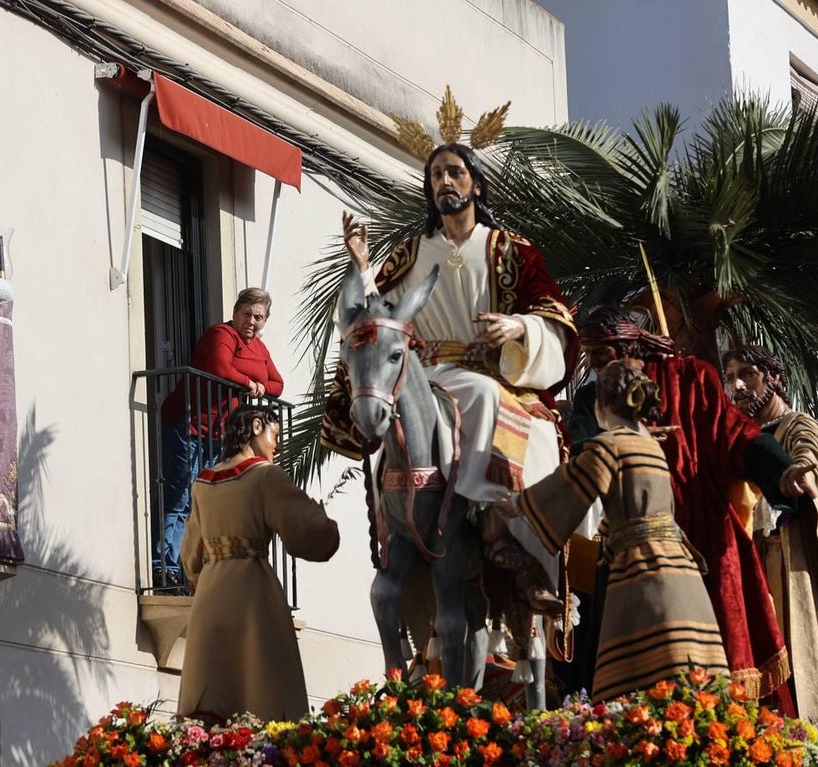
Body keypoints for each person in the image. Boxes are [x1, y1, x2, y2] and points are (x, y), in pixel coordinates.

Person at [323, 142, 580, 663]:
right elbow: (373, 313)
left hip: (493, 372)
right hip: (426, 371)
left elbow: (555, 316)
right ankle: (397, 520)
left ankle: (495, 518)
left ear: (476, 185)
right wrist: (360, 265)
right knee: (399, 427)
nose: (445, 181)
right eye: (436, 173)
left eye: (456, 172)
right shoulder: (412, 253)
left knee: (485, 395)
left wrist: (520, 327)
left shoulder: (510, 249)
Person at [579, 306, 812, 712]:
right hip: (625, 544)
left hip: (701, 531)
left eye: (602, 357)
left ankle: (721, 730)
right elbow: (580, 454)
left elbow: (737, 434)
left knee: (719, 644)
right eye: (592, 360)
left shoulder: (689, 378)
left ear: (628, 347)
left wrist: (782, 470)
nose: (597, 370)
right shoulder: (590, 398)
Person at [495, 360, 729, 701]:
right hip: (681, 569)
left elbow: (572, 482)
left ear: (601, 405)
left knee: (636, 681)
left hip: (643, 573)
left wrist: (517, 505)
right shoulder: (652, 445)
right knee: (693, 678)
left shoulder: (609, 445)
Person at [178, 405, 340, 722]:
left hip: (209, 599)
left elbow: (190, 557)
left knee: (210, 701)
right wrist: (326, 527)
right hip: (252, 595)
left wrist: (208, 573)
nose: (277, 446)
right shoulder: (265, 477)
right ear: (255, 426)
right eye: (275, 435)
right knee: (265, 695)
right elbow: (306, 532)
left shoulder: (203, 485)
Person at [723, 345, 818, 727]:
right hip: (752, 563)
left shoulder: (798, 425)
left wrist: (803, 474)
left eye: (748, 374)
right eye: (731, 377)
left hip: (790, 561)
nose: (738, 386)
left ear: (775, 379)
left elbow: (811, 459)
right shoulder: (742, 438)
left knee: (798, 644)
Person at [155, 289, 284, 587]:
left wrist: (259, 387)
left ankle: (186, 569)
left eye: (258, 317)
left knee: (201, 504)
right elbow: (218, 367)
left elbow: (277, 384)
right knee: (180, 498)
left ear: (265, 322)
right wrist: (251, 382)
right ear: (236, 311)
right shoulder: (221, 334)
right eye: (247, 314)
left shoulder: (259, 349)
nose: (251, 321)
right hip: (189, 425)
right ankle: (163, 565)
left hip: (218, 435)